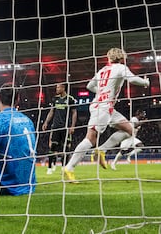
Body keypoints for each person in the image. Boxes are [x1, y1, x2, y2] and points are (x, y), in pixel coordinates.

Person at [63, 48, 149, 182]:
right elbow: (132, 79)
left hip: (105, 106)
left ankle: (101, 150)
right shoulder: (120, 67)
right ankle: (69, 167)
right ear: (121, 59)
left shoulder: (102, 70)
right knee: (90, 139)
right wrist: (145, 82)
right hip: (102, 108)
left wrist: (101, 92)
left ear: (109, 58)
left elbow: (90, 85)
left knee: (130, 130)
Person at [42, 83, 77, 174]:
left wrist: (72, 126)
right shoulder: (55, 99)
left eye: (58, 87)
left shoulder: (70, 99)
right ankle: (50, 168)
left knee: (66, 148)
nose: (56, 89)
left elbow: (74, 113)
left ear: (63, 88)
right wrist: (46, 122)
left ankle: (64, 167)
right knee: (52, 147)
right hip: (56, 126)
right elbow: (51, 111)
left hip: (66, 127)